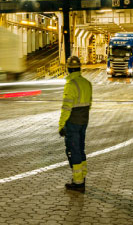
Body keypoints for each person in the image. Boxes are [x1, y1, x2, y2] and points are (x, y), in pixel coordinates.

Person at [59, 56, 93, 192]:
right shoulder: (87, 83)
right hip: (83, 121)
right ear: (79, 68)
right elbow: (89, 104)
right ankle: (82, 176)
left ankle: (78, 182)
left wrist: (62, 125)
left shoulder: (71, 84)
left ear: (68, 68)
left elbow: (66, 108)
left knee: (73, 151)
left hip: (72, 122)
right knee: (80, 148)